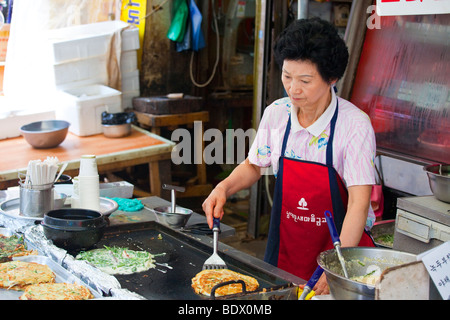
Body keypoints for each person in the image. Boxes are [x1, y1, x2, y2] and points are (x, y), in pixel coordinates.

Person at [202, 17, 376, 295]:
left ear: (331, 78)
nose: (293, 89)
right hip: (287, 248)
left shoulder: (354, 125)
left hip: (342, 256)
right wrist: (223, 188)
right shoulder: (277, 113)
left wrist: (336, 266)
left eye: (305, 80)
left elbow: (358, 203)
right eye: (287, 76)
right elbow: (254, 166)